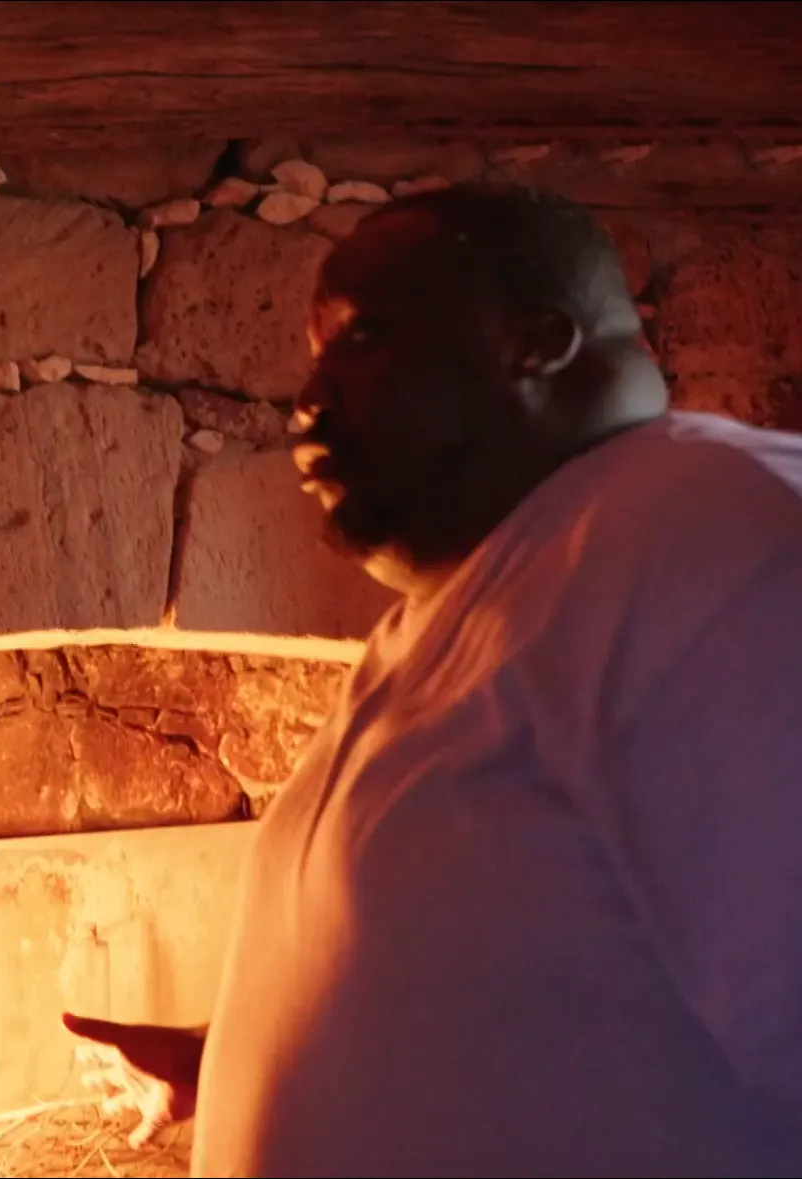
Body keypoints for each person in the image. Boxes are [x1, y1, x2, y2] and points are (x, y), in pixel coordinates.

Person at [67, 182, 802, 1176]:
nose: (307, 401)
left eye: (362, 339)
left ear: (534, 343)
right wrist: (234, 1055)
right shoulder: (488, 598)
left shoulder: (708, 544)